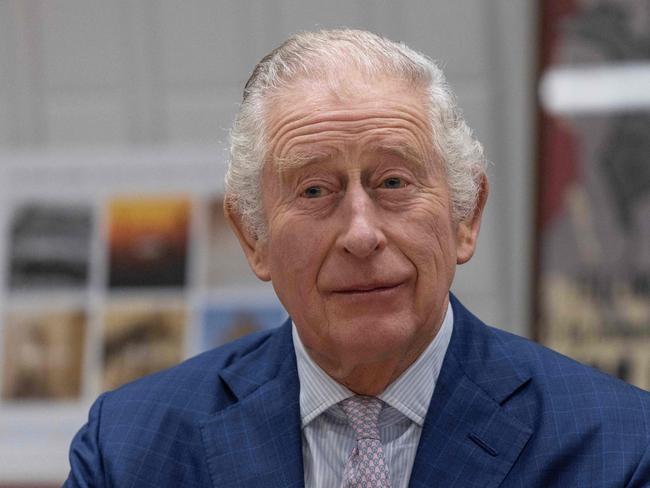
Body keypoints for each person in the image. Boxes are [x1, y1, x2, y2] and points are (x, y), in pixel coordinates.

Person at [65, 29, 650, 487]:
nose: (361, 234)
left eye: (394, 182)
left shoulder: (617, 446)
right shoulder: (130, 448)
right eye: (314, 191)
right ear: (253, 238)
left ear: (466, 217)